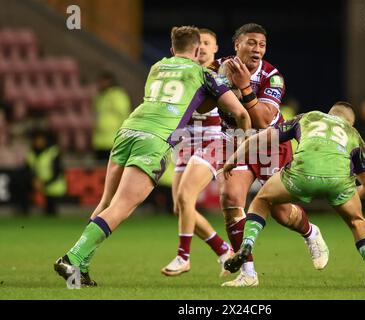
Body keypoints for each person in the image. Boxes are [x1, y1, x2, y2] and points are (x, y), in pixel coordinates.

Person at [53, 26, 251, 287]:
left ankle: (82, 269)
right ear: (196, 50)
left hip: (127, 130)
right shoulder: (204, 74)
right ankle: (71, 258)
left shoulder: (157, 67)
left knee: (106, 202)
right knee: (122, 207)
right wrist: (241, 150)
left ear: (172, 50)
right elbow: (241, 115)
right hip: (154, 140)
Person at [162, 23, 328, 287]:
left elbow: (262, 120)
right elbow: (204, 106)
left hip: (270, 144)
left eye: (262, 45)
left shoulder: (273, 77)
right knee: (230, 199)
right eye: (251, 43)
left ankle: (310, 232)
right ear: (237, 44)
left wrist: (244, 88)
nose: (257, 49)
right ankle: (248, 274)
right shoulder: (219, 69)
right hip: (235, 142)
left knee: (282, 213)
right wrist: (209, 86)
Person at [223, 102, 365, 289]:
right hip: (339, 183)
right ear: (350, 122)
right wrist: (346, 195)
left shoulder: (309, 117)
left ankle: (247, 245)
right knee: (357, 221)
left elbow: (260, 139)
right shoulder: (354, 135)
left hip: (301, 175)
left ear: (330, 113)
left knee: (262, 200)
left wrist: (233, 160)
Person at [162, 29, 235, 277]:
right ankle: (224, 250)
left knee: (186, 197)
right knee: (180, 207)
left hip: (213, 140)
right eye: (199, 43)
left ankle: (184, 256)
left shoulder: (223, 73)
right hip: (186, 142)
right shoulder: (183, 71)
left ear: (215, 48)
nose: (202, 47)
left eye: (207, 43)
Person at [92, 71, 131, 161]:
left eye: (102, 81)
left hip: (113, 141)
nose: (100, 84)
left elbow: (124, 115)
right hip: (99, 142)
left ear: (109, 81)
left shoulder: (118, 95)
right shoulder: (100, 97)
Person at [26, 129, 67, 216]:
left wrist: (44, 183)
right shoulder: (31, 153)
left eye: (41, 139)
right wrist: (34, 180)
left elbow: (58, 171)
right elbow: (29, 170)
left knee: (52, 210)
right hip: (40, 187)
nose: (39, 142)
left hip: (54, 187)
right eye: (37, 140)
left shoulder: (53, 151)